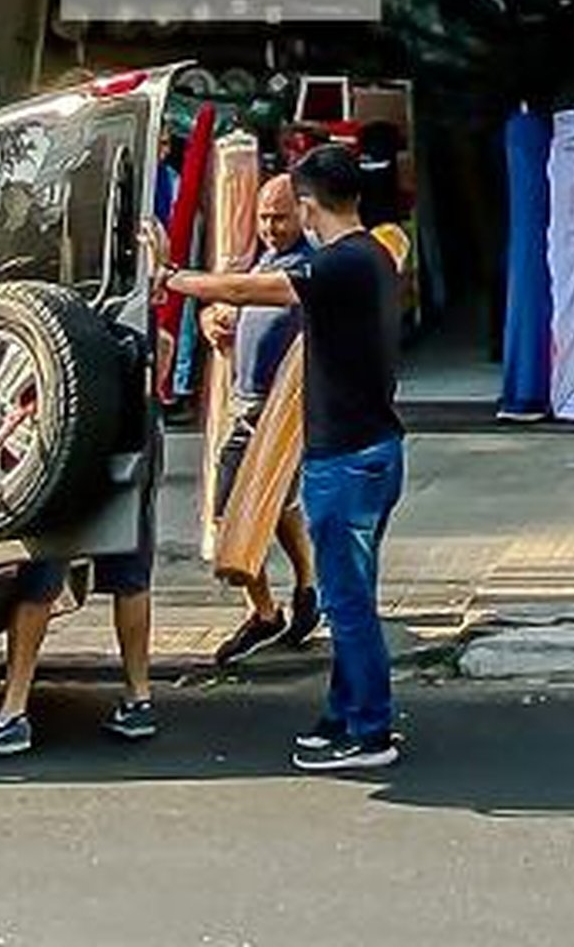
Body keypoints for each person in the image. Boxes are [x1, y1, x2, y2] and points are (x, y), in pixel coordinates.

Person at [163, 141, 402, 773]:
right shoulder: (374, 255)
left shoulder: (341, 264)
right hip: (370, 452)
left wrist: (175, 279)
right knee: (351, 597)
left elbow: (257, 288)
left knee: (349, 606)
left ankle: (370, 731)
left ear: (307, 204)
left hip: (347, 460)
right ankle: (341, 716)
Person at [0, 355, 161, 755]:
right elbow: (159, 348)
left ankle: (13, 709)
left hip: (55, 429)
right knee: (130, 570)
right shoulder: (128, 308)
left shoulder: (30, 308)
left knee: (42, 569)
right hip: (125, 423)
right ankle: (138, 697)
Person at [201, 173, 322, 668]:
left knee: (233, 517)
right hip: (246, 402)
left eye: (280, 217)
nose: (271, 227)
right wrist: (217, 319)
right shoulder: (265, 259)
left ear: (302, 215)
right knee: (280, 505)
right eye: (264, 217)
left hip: (279, 415)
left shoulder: (310, 268)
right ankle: (302, 590)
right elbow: (237, 300)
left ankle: (266, 611)